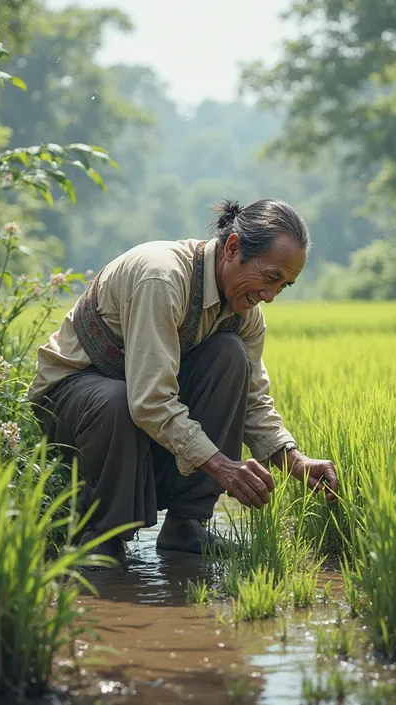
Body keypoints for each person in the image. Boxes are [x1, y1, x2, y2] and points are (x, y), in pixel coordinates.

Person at [29, 198, 338, 566]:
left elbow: (254, 400)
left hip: (133, 413)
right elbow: (149, 401)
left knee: (230, 356)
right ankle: (99, 535)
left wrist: (294, 460)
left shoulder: (245, 313)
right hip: (72, 408)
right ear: (233, 247)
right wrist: (223, 466)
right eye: (270, 277)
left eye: (284, 286)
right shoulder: (161, 279)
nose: (270, 297)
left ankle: (186, 526)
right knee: (115, 399)